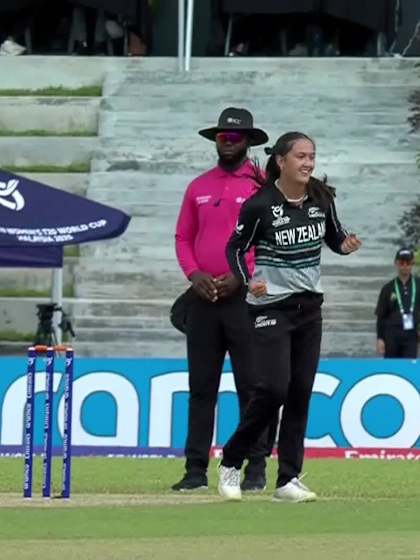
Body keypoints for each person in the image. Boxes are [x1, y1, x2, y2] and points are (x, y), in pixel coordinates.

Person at [217, 131, 362, 502]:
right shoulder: (259, 205)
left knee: (299, 393)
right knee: (274, 389)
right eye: (301, 156)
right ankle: (232, 459)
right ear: (281, 161)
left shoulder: (320, 197)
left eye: (312, 156)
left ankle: (287, 480)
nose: (308, 163)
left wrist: (345, 246)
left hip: (309, 308)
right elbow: (235, 247)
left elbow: (334, 236)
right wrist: (250, 281)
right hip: (270, 308)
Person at [172, 107, 276, 492]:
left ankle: (255, 468)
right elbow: (183, 238)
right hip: (204, 299)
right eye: (222, 137)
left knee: (253, 387)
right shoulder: (198, 186)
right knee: (201, 387)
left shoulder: (264, 186)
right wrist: (194, 274)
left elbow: (268, 239)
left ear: (249, 141)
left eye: (235, 138)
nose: (228, 143)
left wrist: (241, 275)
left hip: (245, 298)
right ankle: (195, 470)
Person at [375, 248, 420, 358]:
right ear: (396, 263)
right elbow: (381, 316)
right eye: (401, 263)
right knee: (391, 368)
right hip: (391, 335)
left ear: (412, 264)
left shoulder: (418, 285)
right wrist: (380, 338)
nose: (404, 266)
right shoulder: (388, 288)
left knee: (409, 368)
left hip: (412, 334)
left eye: (408, 263)